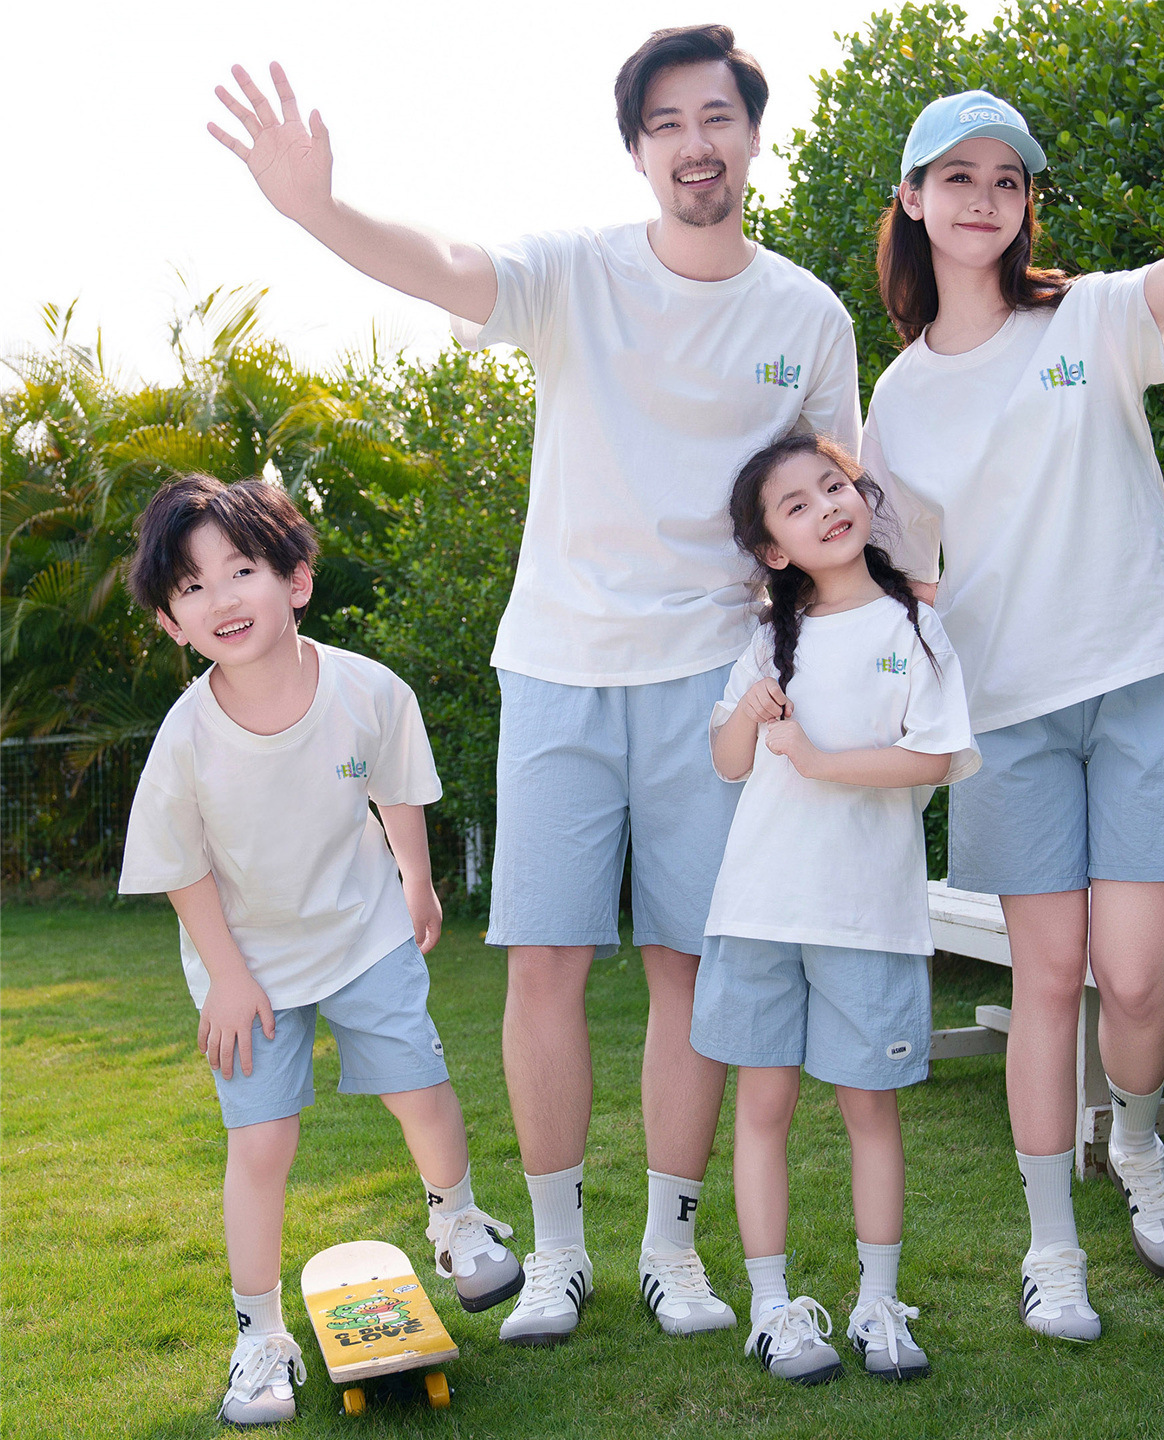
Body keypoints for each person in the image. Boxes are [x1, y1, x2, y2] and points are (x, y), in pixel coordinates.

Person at [207, 26, 860, 1344]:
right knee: (546, 963)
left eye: (716, 117)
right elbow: (448, 266)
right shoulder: (576, 274)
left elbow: (840, 502)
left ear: (751, 133)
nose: (694, 144)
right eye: (666, 123)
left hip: (718, 683)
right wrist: (318, 208)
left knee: (691, 969)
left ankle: (672, 1247)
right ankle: (558, 1253)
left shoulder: (809, 315)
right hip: (560, 666)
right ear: (639, 151)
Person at [861, 88, 1164, 1340]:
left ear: (1027, 203)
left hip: (1144, 683)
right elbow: (898, 579)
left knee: (1132, 984)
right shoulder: (897, 401)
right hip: (1010, 718)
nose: (984, 197)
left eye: (1008, 179)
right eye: (957, 176)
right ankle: (1052, 1248)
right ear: (912, 199)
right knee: (1048, 978)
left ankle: (1134, 1139)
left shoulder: (1087, 316)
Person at [118, 475, 520, 1425]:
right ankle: (258, 1337)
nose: (220, 599)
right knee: (261, 1141)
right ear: (173, 623)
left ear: (294, 581)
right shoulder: (185, 739)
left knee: (419, 1083)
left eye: (240, 570)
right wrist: (226, 978)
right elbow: (181, 866)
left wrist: (417, 882)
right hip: (246, 963)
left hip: (362, 930)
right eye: (191, 587)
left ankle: (458, 1221)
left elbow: (396, 786)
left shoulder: (367, 689)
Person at [690, 433, 979, 1383]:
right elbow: (727, 761)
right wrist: (750, 712)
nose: (827, 507)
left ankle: (878, 1305)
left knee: (870, 1111)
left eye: (834, 486)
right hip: (762, 910)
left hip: (869, 915)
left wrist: (819, 760)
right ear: (774, 550)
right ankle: (772, 1309)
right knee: (763, 1107)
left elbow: (933, 757)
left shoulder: (915, 628)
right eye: (798, 506)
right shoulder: (768, 641)